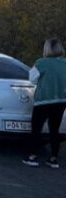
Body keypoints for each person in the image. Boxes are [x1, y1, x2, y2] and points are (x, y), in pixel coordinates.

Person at [23, 38, 66, 169]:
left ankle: (32, 157)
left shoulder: (41, 63)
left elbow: (32, 79)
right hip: (60, 100)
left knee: (36, 129)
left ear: (46, 49)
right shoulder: (65, 63)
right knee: (55, 130)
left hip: (43, 100)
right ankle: (53, 159)